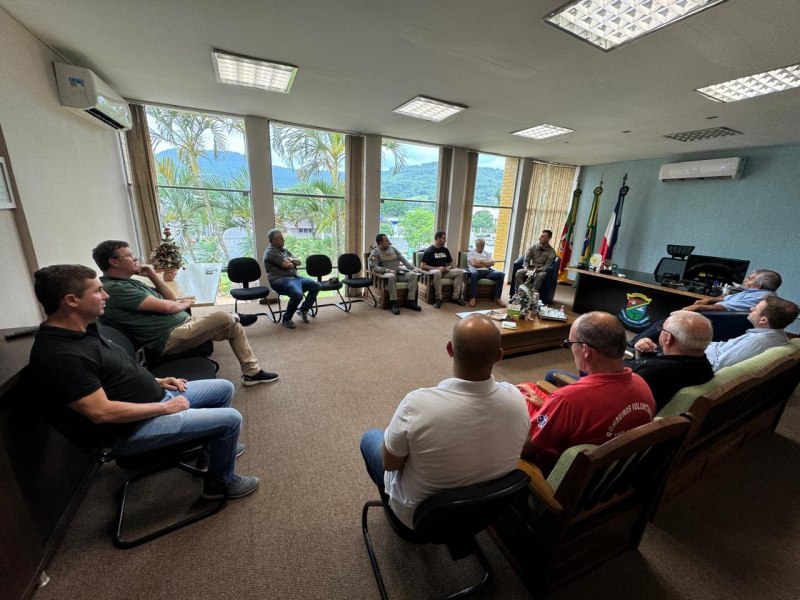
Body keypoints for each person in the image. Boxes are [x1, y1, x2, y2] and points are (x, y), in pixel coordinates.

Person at [28, 264, 259, 499]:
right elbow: (101, 412)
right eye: (98, 291)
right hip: (133, 429)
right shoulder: (61, 355)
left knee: (223, 388)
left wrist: (157, 380)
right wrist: (165, 408)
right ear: (71, 300)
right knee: (231, 419)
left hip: (153, 401)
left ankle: (211, 454)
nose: (106, 295)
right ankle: (220, 485)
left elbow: (118, 372)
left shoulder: (84, 330)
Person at [359, 314, 529, 529]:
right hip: (484, 513)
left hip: (417, 519)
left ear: (449, 349)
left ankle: (392, 509)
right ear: (499, 356)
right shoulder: (516, 399)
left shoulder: (417, 405)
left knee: (370, 438)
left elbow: (390, 464)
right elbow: (524, 444)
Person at [92, 240, 278, 386]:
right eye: (130, 256)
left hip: (183, 326)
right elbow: (168, 307)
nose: (135, 259)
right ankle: (235, 315)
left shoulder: (131, 282)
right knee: (222, 316)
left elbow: (171, 300)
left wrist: (152, 275)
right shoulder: (116, 288)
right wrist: (185, 303)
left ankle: (252, 373)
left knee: (233, 327)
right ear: (114, 261)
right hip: (168, 338)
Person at [521, 312, 656, 475]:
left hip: (558, 476)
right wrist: (550, 407)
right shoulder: (642, 385)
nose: (570, 349)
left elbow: (523, 447)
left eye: (570, 343)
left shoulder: (568, 400)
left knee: (516, 397)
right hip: (609, 474)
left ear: (585, 350)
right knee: (528, 387)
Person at [545, 311, 715, 411]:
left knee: (553, 374)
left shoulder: (650, 375)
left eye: (661, 329)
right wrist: (642, 355)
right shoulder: (703, 366)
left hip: (599, 393)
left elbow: (612, 388)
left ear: (668, 338)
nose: (659, 331)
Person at [630, 269, 782, 347]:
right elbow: (726, 299)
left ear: (758, 285)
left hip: (717, 321)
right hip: (714, 316)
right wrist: (710, 299)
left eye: (749, 279)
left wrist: (698, 308)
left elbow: (724, 308)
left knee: (666, 322)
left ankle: (634, 343)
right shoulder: (754, 292)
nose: (745, 279)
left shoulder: (757, 297)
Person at [701, 296, 799, 371]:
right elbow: (723, 346)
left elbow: (716, 366)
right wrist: (701, 344)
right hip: (711, 352)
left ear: (763, 320)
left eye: (756, 309)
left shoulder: (756, 342)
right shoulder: (779, 334)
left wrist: (693, 350)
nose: (751, 309)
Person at [263, 228, 321, 330]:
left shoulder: (284, 251)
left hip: (295, 278)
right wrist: (290, 261)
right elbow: (287, 265)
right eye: (281, 239)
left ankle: (303, 310)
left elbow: (299, 262)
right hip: (280, 280)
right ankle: (286, 318)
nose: (284, 240)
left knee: (316, 286)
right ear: (274, 240)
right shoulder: (270, 252)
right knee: (297, 294)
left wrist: (290, 259)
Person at [368, 233, 422, 315]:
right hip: (385, 275)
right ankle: (394, 303)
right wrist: (387, 270)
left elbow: (403, 259)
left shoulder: (392, 248)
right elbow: (374, 267)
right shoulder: (375, 252)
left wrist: (412, 268)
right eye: (386, 240)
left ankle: (410, 301)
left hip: (398, 272)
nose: (389, 242)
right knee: (391, 276)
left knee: (413, 275)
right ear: (380, 243)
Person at [420, 230, 467, 308]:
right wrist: (438, 268)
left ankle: (455, 297)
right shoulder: (429, 251)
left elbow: (451, 263)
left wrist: (449, 267)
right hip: (434, 272)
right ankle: (438, 298)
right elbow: (423, 266)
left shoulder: (445, 250)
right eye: (443, 238)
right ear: (438, 239)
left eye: (445, 238)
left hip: (445, 272)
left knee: (459, 272)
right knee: (437, 272)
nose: (445, 240)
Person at [466, 237, 505, 307]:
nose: (482, 247)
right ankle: (473, 297)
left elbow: (492, 263)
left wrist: (480, 261)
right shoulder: (471, 253)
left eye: (483, 245)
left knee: (501, 274)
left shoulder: (486, 253)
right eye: (480, 245)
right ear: (476, 245)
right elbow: (474, 264)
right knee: (474, 274)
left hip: (487, 272)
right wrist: (486, 264)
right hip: (476, 272)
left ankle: (497, 298)